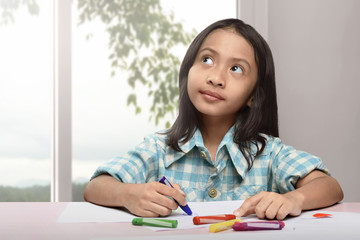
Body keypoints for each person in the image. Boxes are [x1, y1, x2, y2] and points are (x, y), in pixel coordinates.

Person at [84, 18, 343, 220]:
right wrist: (129, 194)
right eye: (207, 59)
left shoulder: (270, 153)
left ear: (253, 95)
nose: (216, 78)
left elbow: (329, 186)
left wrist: (293, 200)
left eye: (236, 69)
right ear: (188, 70)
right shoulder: (158, 149)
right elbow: (96, 186)